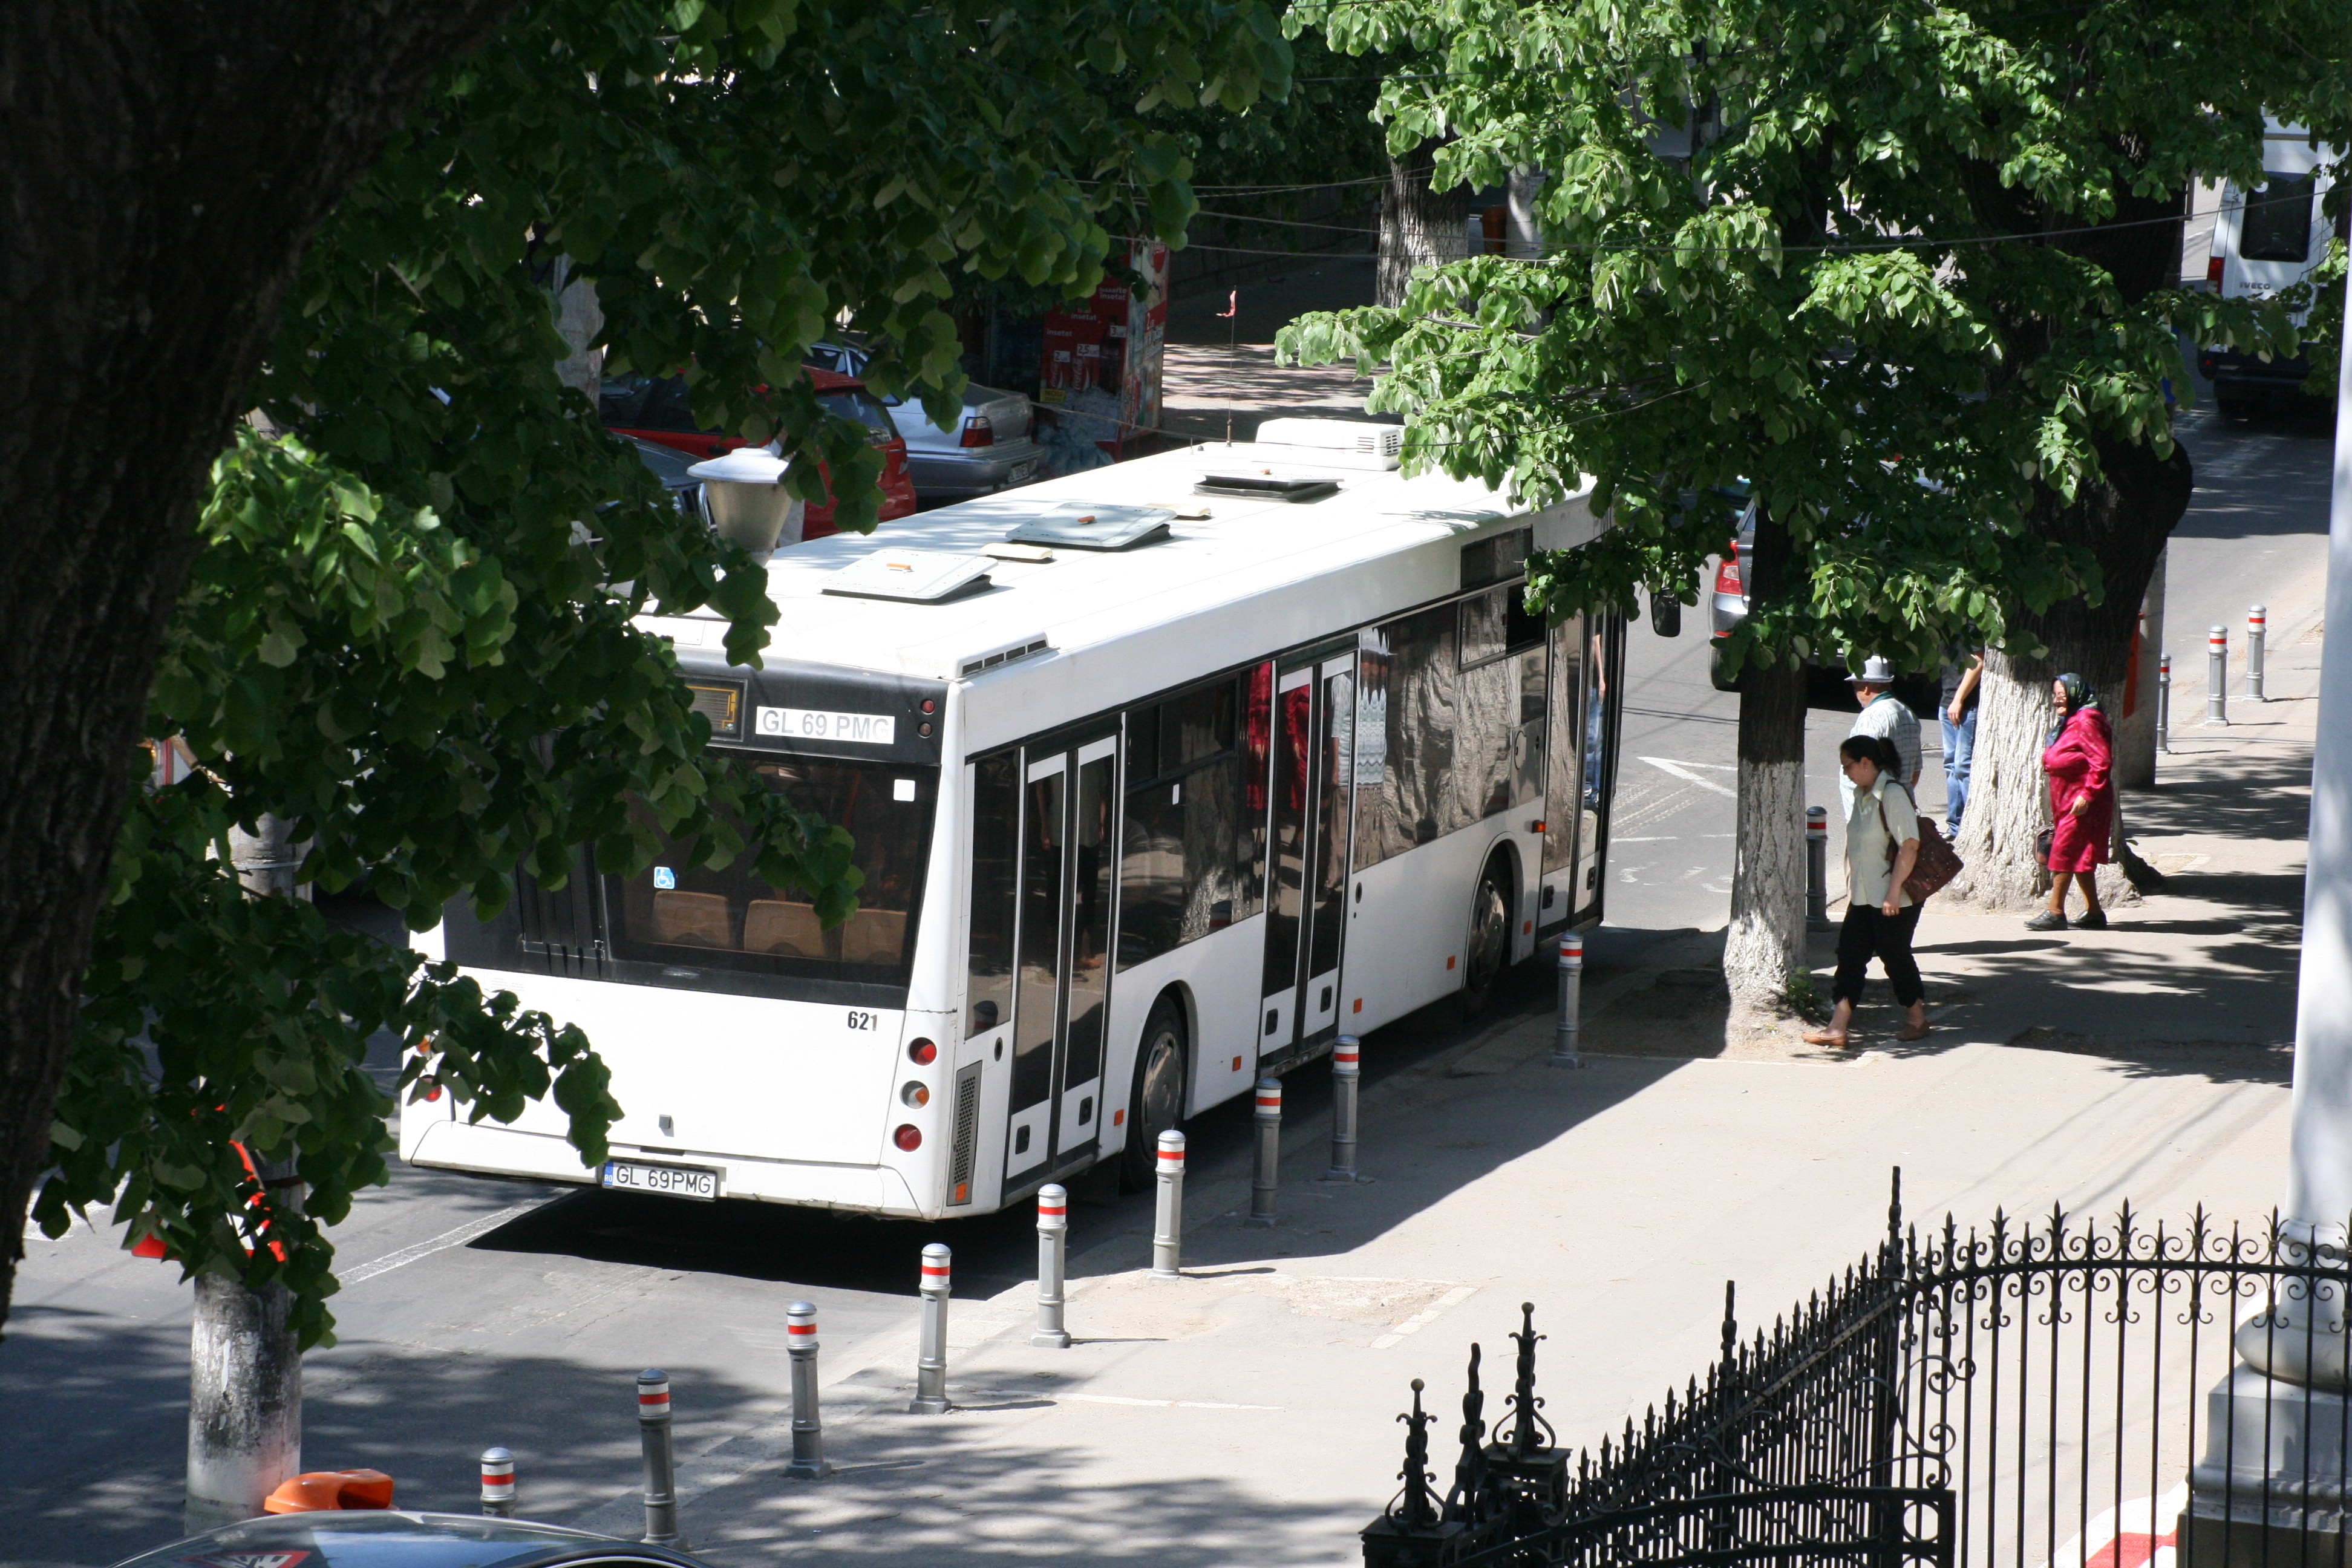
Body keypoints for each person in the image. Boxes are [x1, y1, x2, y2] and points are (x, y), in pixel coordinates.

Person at [1806, 734, 1929, 1047]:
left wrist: (1892, 892)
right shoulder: (1863, 796)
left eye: (1848, 766)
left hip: (1894, 898)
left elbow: (1910, 846)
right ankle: (1838, 1027)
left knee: (1894, 956)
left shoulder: (1892, 795)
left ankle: (1917, 1018)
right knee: (1849, 956)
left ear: (1866, 762)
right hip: (1863, 897)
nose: (1846, 773)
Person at [2025, 672, 2115, 932]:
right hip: (2066, 797)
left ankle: (2055, 911)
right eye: (2054, 696)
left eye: (2062, 696)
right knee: (2078, 852)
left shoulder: (2088, 719)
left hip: (2083, 800)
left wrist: (2087, 795)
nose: (2056, 701)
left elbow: (2101, 761)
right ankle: (2094, 913)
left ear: (2075, 694)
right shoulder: (2071, 720)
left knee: (2064, 850)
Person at [1839, 656, 1921, 820]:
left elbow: (1862, 766)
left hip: (1873, 812)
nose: (1857, 694)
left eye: (1856, 688)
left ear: (1866, 688)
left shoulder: (1872, 716)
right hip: (1901, 805)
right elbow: (1915, 771)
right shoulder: (1908, 713)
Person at [1940, 647, 1982, 835]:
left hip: (1966, 705)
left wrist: (1959, 699)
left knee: (1963, 766)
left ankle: (1971, 828)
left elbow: (1978, 661)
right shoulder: (1943, 623)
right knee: (1951, 765)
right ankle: (1955, 826)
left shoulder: (1970, 623)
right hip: (1947, 702)